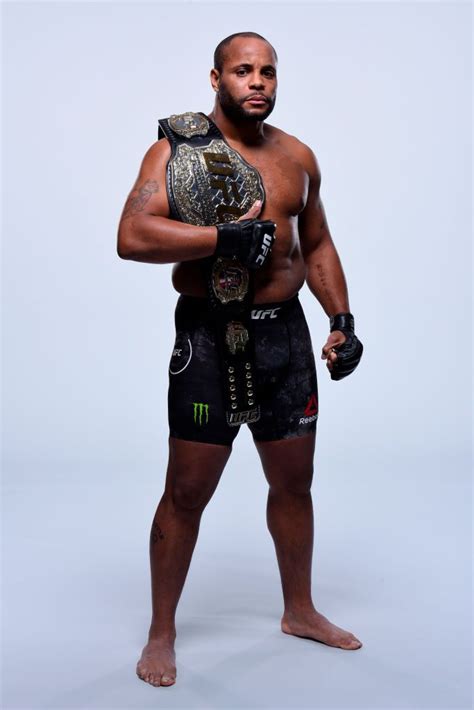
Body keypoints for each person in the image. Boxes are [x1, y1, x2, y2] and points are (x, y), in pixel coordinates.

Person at [117, 31, 364, 688]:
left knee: (294, 483)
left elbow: (316, 244)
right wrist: (220, 236)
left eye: (268, 73)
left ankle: (300, 611)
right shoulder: (176, 152)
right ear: (216, 78)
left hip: (285, 338)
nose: (257, 82)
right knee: (187, 493)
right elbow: (133, 235)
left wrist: (341, 319)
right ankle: (161, 631)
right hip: (210, 336)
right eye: (243, 71)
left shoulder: (298, 157)